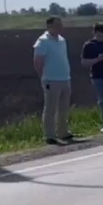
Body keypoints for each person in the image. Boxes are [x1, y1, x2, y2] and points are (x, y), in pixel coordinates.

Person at [32, 16, 73, 145]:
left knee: (63, 107)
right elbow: (38, 61)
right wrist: (43, 76)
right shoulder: (43, 41)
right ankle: (50, 135)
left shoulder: (62, 40)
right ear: (49, 26)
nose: (60, 27)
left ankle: (63, 132)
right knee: (50, 108)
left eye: (60, 24)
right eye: (57, 25)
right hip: (51, 79)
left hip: (65, 78)